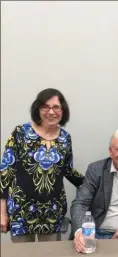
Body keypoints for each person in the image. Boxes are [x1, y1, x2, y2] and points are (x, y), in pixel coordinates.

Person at [0, 88, 84, 242]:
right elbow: (5, 171)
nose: (51, 112)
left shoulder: (65, 138)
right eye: (45, 107)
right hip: (21, 211)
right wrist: (2, 212)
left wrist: (92, 184)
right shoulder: (21, 132)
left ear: (63, 110)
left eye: (56, 107)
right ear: (37, 109)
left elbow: (67, 170)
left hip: (52, 212)